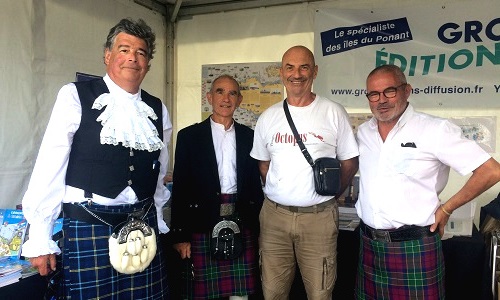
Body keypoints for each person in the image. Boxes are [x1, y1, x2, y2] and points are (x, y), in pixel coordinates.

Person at [21, 18, 172, 299]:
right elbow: (50, 165)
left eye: (141, 53)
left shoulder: (157, 108)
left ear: (148, 64)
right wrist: (40, 237)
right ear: (107, 56)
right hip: (90, 224)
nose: (132, 58)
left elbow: (159, 170)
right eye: (124, 49)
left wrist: (159, 216)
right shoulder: (74, 96)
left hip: (143, 226)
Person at [355, 64, 500, 299]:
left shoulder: (434, 129)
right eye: (373, 94)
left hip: (414, 247)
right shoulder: (363, 132)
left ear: (407, 90)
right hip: (370, 246)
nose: (381, 100)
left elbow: (491, 171)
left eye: (389, 91)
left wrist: (446, 208)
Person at [250, 45, 359, 299]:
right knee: (272, 292)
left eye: (304, 67)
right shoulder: (268, 117)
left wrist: (330, 196)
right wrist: (283, 192)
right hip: (274, 220)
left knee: (320, 293)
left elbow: (350, 162)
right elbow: (263, 165)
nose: (296, 74)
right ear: (281, 73)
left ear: (315, 72)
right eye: (290, 67)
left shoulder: (333, 112)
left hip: (319, 219)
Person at [169, 74, 264, 299]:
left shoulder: (250, 137)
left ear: (240, 100)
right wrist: (180, 236)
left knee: (240, 294)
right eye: (220, 92)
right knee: (206, 293)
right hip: (203, 219)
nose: (226, 98)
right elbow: (181, 188)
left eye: (232, 93)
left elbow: (255, 187)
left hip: (242, 219)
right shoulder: (189, 137)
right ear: (209, 97)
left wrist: (261, 231)